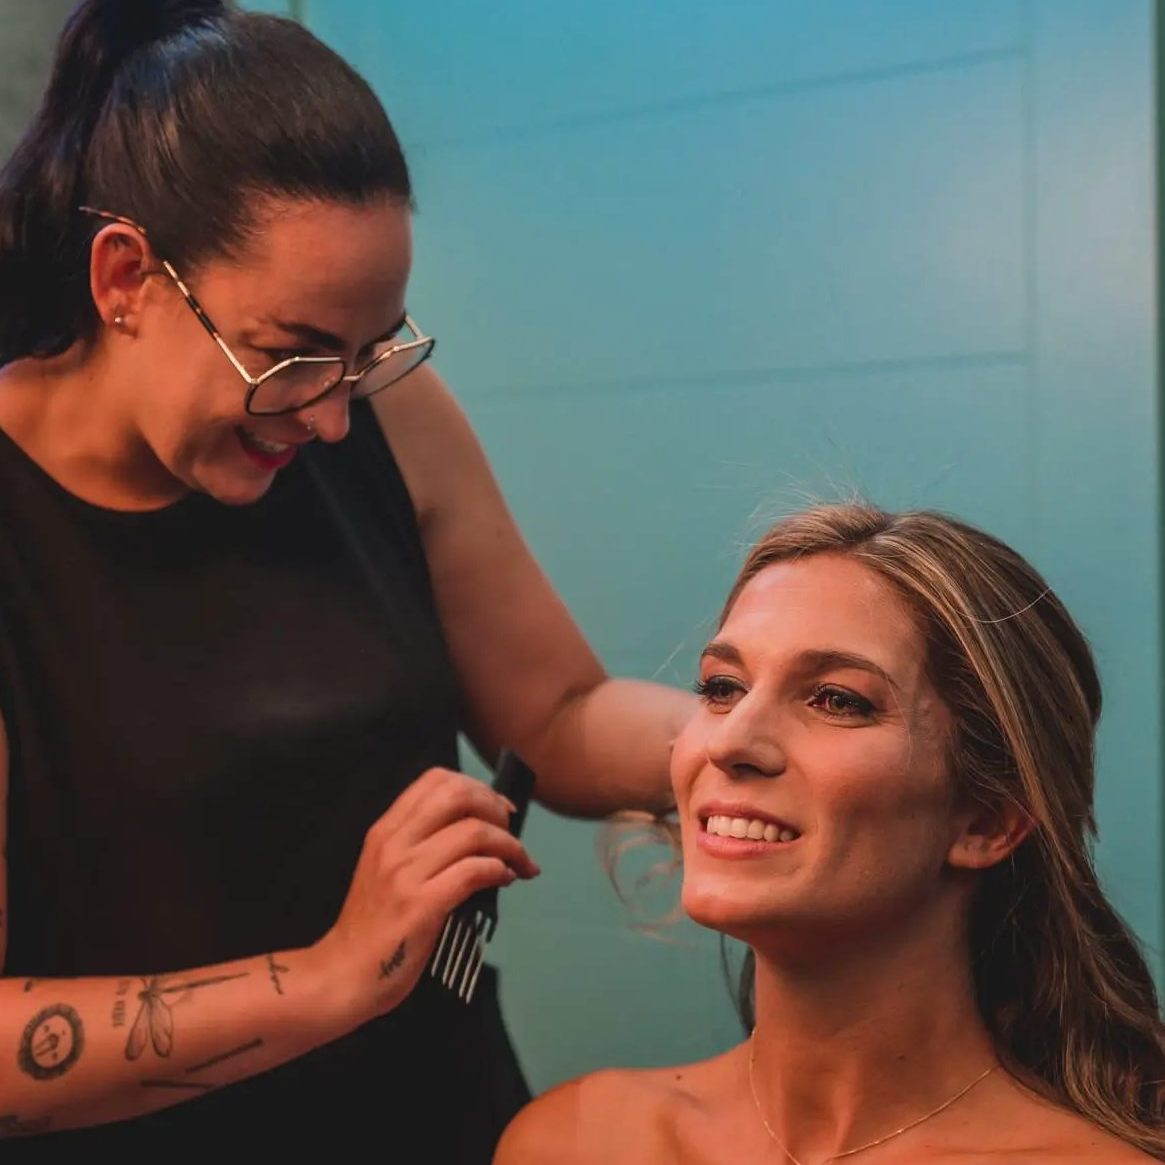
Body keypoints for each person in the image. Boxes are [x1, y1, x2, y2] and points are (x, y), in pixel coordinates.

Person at [0, 0, 693, 1156]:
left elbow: (562, 715)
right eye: (288, 357)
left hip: (445, 1114)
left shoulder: (381, 410)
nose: (329, 417)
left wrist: (750, 740)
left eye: (369, 352)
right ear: (126, 278)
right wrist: (327, 980)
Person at [495, 503, 1165, 1163]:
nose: (730, 740)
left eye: (836, 699)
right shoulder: (574, 1143)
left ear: (988, 820)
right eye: (721, 687)